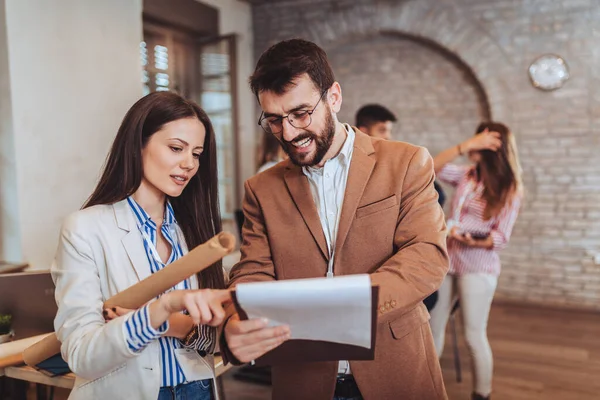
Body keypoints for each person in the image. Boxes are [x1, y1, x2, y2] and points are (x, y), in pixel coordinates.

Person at [220, 39, 449, 400]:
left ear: (335, 98)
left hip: (396, 370)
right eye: (275, 120)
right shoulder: (260, 189)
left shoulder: (406, 162)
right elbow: (254, 272)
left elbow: (426, 256)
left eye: (300, 113)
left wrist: (348, 310)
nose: (290, 133)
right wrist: (236, 320)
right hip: (303, 380)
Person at [52, 92, 231, 400]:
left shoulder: (195, 232)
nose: (189, 164)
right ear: (138, 144)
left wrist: (169, 324)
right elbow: (80, 353)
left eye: (197, 154)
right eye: (176, 148)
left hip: (196, 389)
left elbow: (215, 337)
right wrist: (159, 310)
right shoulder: (84, 228)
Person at [429, 122, 523, 400]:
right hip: (449, 260)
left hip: (478, 267)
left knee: (473, 336)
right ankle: (427, 388)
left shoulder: (510, 188)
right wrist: (464, 146)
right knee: (433, 327)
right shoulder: (467, 176)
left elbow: (501, 238)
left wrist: (474, 240)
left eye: (482, 140)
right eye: (476, 138)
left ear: (494, 149)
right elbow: (431, 167)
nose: (475, 143)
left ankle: (482, 395)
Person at [356, 103, 445, 311]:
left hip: (404, 279)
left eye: (389, 131)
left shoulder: (400, 164)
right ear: (363, 131)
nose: (387, 137)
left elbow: (438, 196)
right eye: (382, 130)